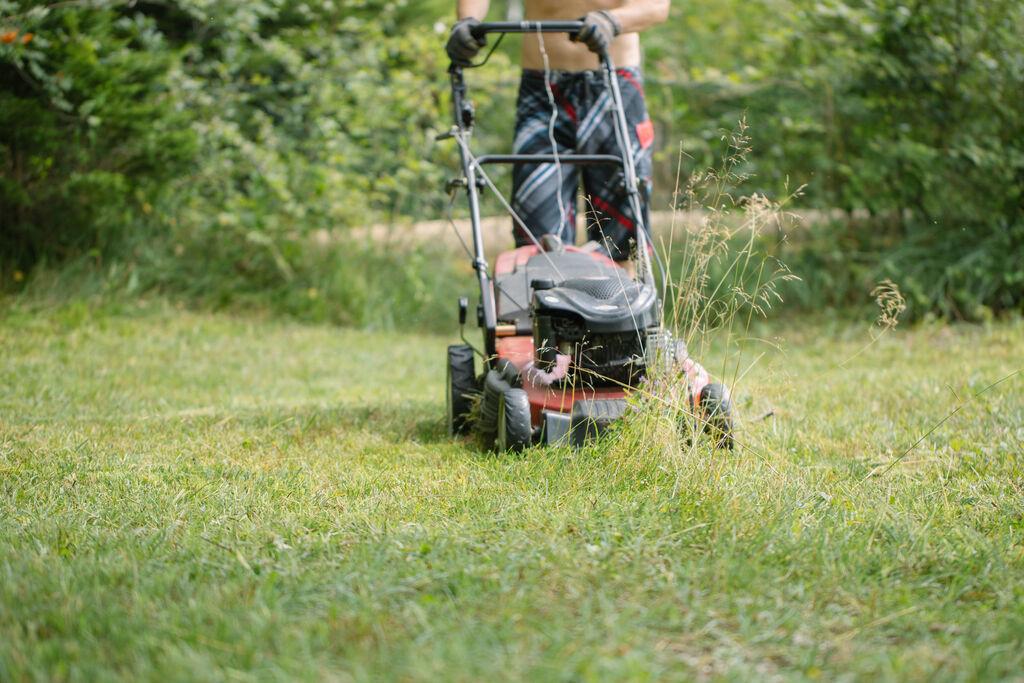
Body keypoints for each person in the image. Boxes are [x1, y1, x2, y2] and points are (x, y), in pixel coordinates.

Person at [446, 1, 670, 267]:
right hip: (542, 90)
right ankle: (548, 306)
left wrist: (612, 20)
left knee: (621, 241)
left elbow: (656, 7)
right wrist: (468, 21)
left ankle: (621, 305)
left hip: (615, 84)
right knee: (537, 240)